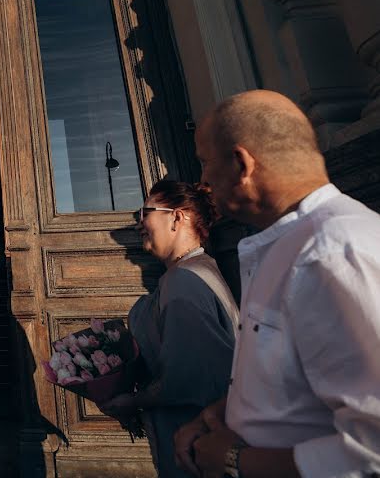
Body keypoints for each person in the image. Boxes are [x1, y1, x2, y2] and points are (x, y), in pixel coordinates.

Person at [174, 90, 380, 478]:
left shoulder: (333, 253)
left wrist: (235, 460)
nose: (201, 180)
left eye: (204, 162)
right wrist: (229, 410)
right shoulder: (286, 244)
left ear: (240, 164)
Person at [101, 180, 239, 478]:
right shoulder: (193, 272)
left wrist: (132, 401)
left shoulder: (185, 280)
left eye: (145, 213)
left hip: (195, 446)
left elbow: (187, 376)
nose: (139, 224)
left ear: (178, 216)